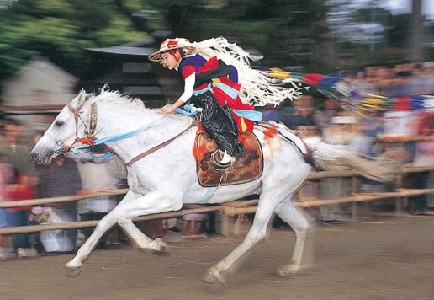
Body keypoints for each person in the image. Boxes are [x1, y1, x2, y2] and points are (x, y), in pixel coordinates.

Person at [149, 38, 257, 170]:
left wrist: (173, 107)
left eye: (165, 57)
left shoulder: (187, 66)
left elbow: (188, 92)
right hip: (201, 98)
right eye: (163, 59)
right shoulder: (183, 65)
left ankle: (233, 152)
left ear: (176, 54)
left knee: (208, 122)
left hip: (210, 98)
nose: (163, 63)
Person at [77, 146, 127, 248]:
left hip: (88, 192)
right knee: (103, 218)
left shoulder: (81, 160)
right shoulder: (112, 160)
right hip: (104, 192)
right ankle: (101, 242)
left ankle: (91, 241)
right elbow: (120, 174)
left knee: (87, 218)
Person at [38, 156, 82, 252]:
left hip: (69, 198)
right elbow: (44, 184)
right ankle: (58, 247)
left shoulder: (71, 163)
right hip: (53, 199)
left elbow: (76, 179)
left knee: (71, 223)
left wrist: (78, 191)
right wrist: (46, 200)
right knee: (55, 224)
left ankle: (71, 246)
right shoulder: (47, 166)